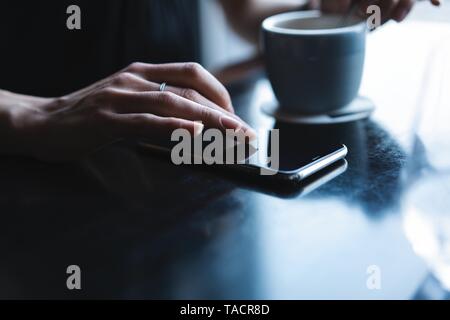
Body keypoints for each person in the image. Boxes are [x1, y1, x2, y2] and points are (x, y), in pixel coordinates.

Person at [0, 0, 440, 162]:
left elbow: (245, 14)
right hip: (32, 179)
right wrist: (37, 113)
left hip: (176, 169)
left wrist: (326, 11)